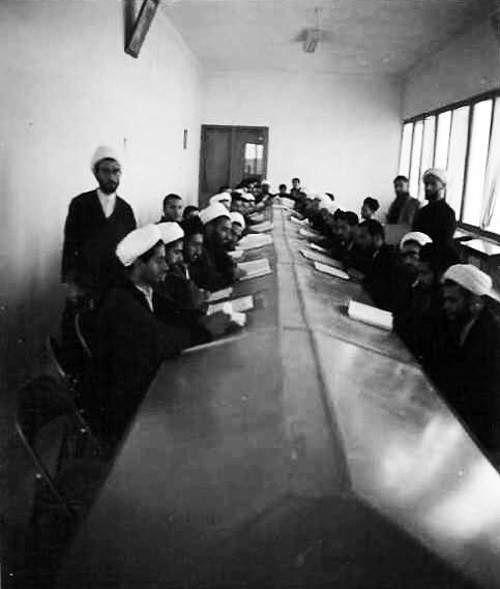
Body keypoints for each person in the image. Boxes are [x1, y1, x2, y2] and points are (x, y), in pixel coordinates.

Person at [94, 224, 231, 442]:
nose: (166, 266)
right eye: (159, 261)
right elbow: (160, 340)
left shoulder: (146, 289)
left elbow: (177, 314)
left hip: (145, 383)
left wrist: (203, 319)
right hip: (127, 407)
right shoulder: (120, 300)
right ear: (138, 265)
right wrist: (206, 332)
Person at [431, 264, 500, 453]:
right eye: (446, 300)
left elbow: (484, 397)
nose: (446, 306)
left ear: (475, 302)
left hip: (477, 434)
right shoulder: (457, 320)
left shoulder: (492, 336)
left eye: (453, 300)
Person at [61, 145, 136, 303]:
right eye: (106, 171)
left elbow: (132, 250)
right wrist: (71, 284)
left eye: (115, 171)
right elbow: (70, 246)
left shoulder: (126, 210)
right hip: (86, 283)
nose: (111, 176)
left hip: (117, 285)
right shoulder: (80, 204)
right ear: (96, 173)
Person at [190, 203, 239, 291]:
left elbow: (228, 264)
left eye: (229, 231)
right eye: (224, 230)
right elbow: (208, 282)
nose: (229, 237)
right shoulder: (199, 250)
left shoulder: (216, 246)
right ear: (209, 228)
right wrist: (232, 276)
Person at [354, 220, 397, 310]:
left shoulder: (390, 258)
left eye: (363, 237)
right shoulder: (371, 253)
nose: (359, 241)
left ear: (377, 238)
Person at [412, 169, 456, 247]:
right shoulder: (422, 211)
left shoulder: (447, 214)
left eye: (433, 184)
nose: (428, 188)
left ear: (443, 186)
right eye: (426, 184)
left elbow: (443, 244)